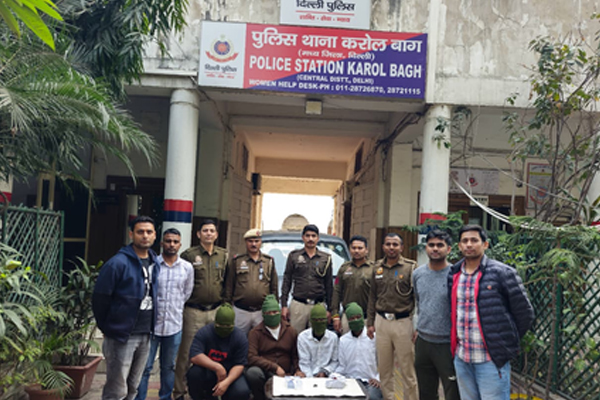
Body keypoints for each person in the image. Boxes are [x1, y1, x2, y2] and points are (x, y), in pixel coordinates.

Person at [448, 225, 534, 400]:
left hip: (491, 360)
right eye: (465, 241)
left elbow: (524, 313)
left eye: (474, 240)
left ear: (485, 244)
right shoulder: (454, 274)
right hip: (463, 358)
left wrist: (503, 342)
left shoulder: (502, 273)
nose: (469, 244)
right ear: (459, 246)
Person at [92, 216, 160, 400]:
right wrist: (108, 327)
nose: (145, 236)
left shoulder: (155, 262)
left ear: (155, 235)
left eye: (149, 232)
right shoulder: (117, 263)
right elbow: (100, 299)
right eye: (140, 232)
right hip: (122, 335)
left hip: (146, 333)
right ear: (131, 234)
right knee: (116, 390)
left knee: (133, 387)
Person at [135, 228, 194, 400]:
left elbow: (186, 293)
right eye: (168, 241)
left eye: (175, 242)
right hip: (151, 325)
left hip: (174, 326)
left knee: (168, 367)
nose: (171, 245)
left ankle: (166, 397)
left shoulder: (187, 268)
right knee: (145, 367)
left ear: (180, 245)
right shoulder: (152, 265)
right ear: (162, 243)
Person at [173, 220, 229, 400]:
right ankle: (179, 392)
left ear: (216, 234)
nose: (209, 234)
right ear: (198, 234)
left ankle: (210, 391)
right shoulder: (189, 255)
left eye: (212, 231)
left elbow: (226, 283)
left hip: (215, 311)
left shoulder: (223, 255)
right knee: (186, 353)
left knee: (214, 353)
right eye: (205, 230)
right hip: (193, 311)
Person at [366, 233, 418, 400]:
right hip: (381, 322)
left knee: (407, 369)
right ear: (383, 247)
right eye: (388, 244)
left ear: (401, 247)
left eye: (395, 244)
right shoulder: (377, 268)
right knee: (385, 369)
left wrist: (416, 326)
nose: (391, 247)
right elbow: (372, 296)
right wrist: (370, 322)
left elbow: (417, 298)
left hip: (403, 322)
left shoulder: (410, 268)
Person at [413, 230, 460, 400]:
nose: (435, 249)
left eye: (440, 245)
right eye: (431, 245)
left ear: (449, 249)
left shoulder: (456, 275)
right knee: (426, 392)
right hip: (423, 343)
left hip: (447, 344)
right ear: (426, 247)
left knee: (453, 392)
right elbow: (419, 303)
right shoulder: (418, 274)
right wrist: (417, 328)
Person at [186, 304, 251, 400]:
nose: (224, 328)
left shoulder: (240, 337)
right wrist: (217, 367)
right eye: (220, 325)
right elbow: (195, 355)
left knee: (242, 391)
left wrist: (226, 382)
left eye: (227, 326)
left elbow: (240, 364)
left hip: (230, 373)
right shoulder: (205, 332)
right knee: (194, 374)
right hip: (209, 371)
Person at [245, 295, 304, 400]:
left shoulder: (291, 331)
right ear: (263, 315)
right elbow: (251, 357)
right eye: (268, 313)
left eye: (275, 312)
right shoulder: (255, 333)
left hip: (287, 373)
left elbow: (295, 355)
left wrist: (298, 370)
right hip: (265, 371)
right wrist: (274, 367)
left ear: (280, 312)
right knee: (253, 373)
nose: (272, 315)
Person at [223, 228, 278, 335]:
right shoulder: (237, 261)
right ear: (246, 242)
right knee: (238, 339)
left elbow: (274, 286)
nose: (253, 244)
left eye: (256, 241)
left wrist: (274, 307)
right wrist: (227, 306)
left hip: (261, 311)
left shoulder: (268, 261)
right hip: (241, 311)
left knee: (262, 340)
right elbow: (229, 284)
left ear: (261, 242)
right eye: (250, 241)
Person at [281, 224, 333, 334]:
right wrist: (284, 305)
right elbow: (287, 280)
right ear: (303, 237)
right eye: (307, 236)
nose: (310, 239)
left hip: (318, 305)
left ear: (318, 238)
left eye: (313, 236)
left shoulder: (326, 258)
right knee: (295, 336)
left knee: (317, 337)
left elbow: (329, 285)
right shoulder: (294, 256)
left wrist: (330, 309)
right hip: (298, 305)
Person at [336, 303, 382, 400]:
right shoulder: (343, 341)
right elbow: (342, 366)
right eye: (352, 318)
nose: (356, 320)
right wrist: (336, 376)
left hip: (370, 382)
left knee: (372, 397)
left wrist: (378, 379)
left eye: (358, 317)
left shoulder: (373, 338)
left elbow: (383, 362)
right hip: (350, 381)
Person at [330, 235, 373, 334]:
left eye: (360, 248)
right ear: (350, 250)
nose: (356, 251)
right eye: (354, 248)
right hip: (347, 317)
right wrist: (335, 316)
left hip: (367, 317)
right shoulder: (344, 268)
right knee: (347, 341)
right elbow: (336, 292)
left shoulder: (373, 269)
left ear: (366, 250)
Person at [297, 304, 339, 377]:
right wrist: (312, 379)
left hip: (328, 376)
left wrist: (325, 372)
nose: (319, 322)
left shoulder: (333, 338)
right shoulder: (303, 338)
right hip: (308, 377)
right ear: (311, 321)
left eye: (322, 320)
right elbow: (304, 363)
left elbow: (335, 361)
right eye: (316, 320)